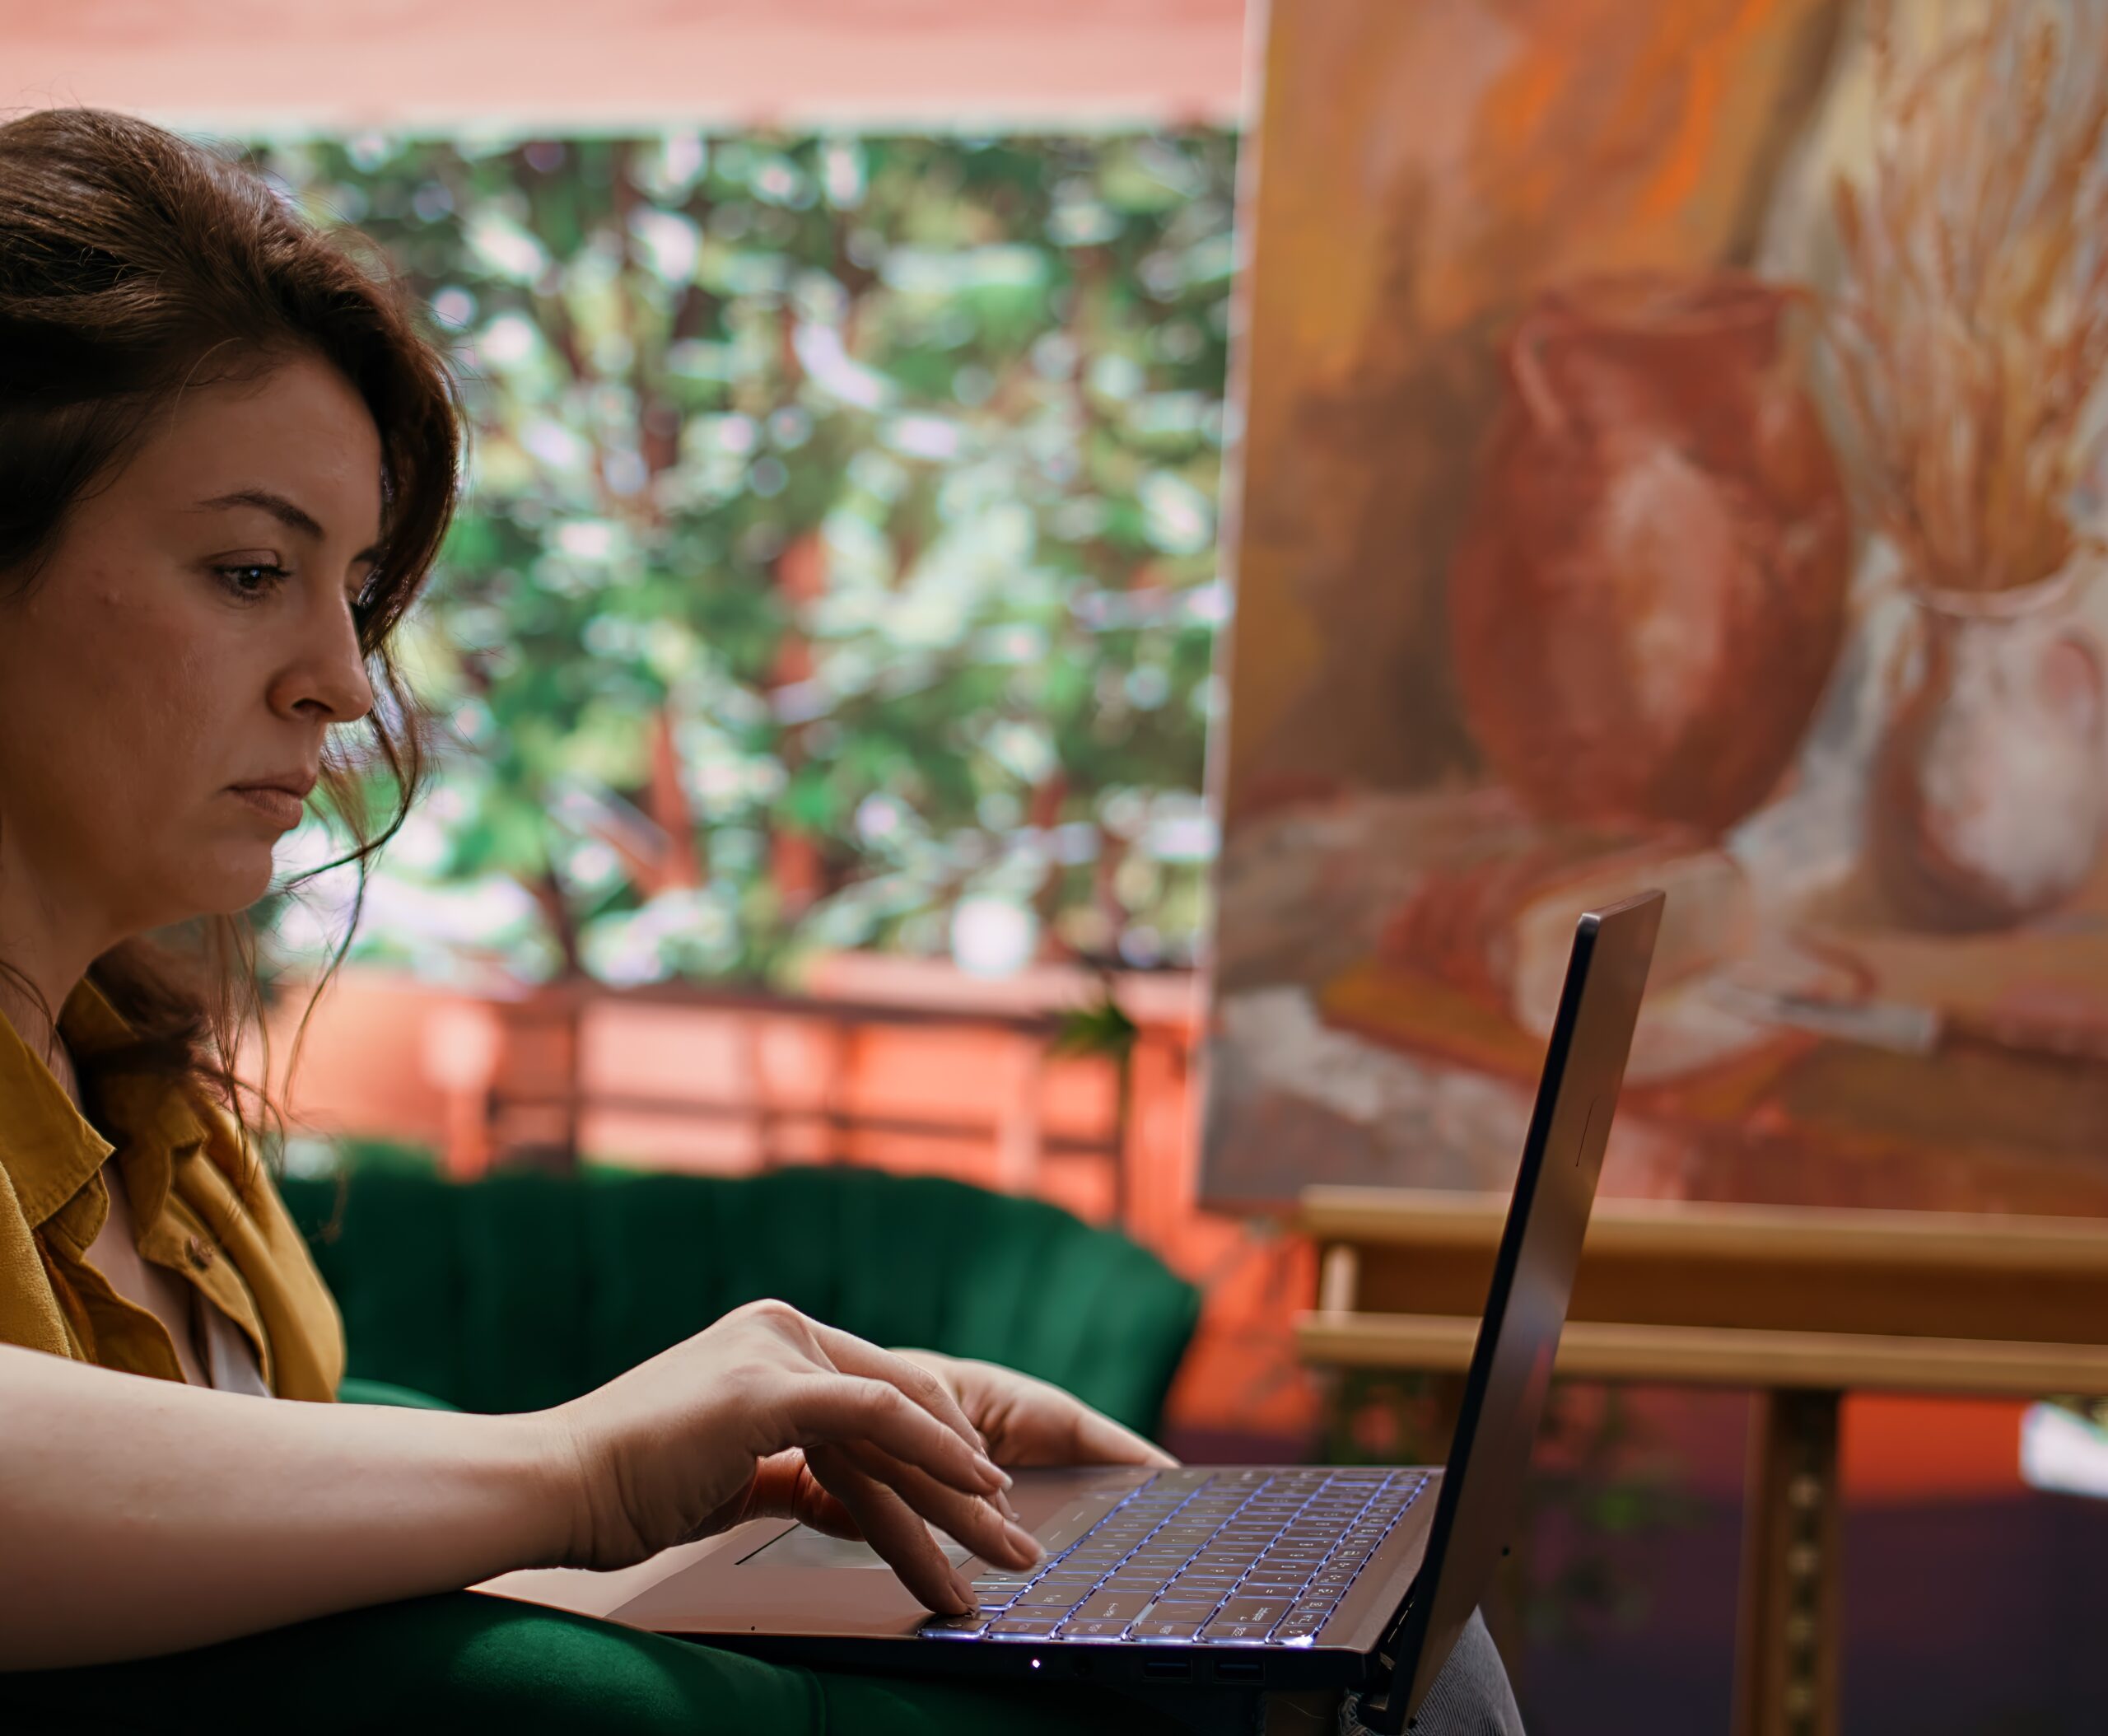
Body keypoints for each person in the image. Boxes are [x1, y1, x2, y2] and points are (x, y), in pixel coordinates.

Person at [0, 107, 1524, 1734]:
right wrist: (573, 1470)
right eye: (249, 572)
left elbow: (281, 1552)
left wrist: (736, 1498)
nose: (344, 680)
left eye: (356, 592)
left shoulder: (154, 1103)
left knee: (1411, 1646)